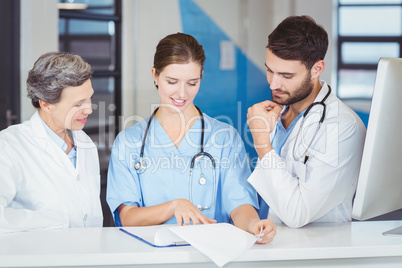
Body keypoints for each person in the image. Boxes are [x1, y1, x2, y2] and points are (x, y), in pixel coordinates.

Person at [107, 33, 276, 243]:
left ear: (201, 77)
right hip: (151, 256)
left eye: (192, 83)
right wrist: (173, 207)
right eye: (172, 81)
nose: (182, 93)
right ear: (155, 75)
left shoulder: (224, 138)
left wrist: (253, 225)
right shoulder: (128, 142)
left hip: (212, 256)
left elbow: (239, 203)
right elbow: (127, 217)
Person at [247, 16, 366, 228]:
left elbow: (297, 214)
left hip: (313, 249)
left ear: (317, 69)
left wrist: (262, 143)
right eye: (270, 70)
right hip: (268, 241)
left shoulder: (342, 127)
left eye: (286, 75)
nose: (274, 84)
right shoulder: (277, 112)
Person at [0, 52, 103, 233]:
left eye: (90, 98)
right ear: (46, 104)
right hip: (39, 258)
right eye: (78, 104)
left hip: (88, 255)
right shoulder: (9, 146)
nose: (89, 109)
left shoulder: (85, 143)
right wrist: (58, 219)